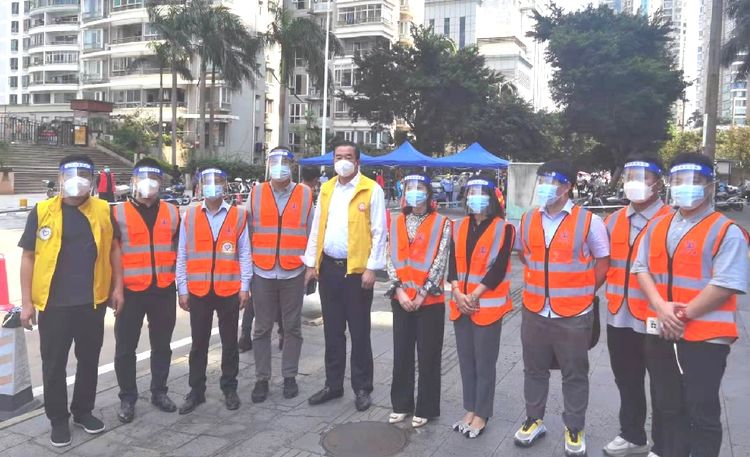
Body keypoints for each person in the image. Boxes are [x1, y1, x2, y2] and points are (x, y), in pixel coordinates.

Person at [634, 152, 749, 457]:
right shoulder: (658, 226)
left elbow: (727, 283)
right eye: (678, 180)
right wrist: (661, 307)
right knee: (666, 403)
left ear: (710, 185)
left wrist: (682, 315)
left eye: (694, 180)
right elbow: (641, 268)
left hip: (706, 336)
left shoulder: (726, 231)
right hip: (661, 328)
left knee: (702, 409)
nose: (684, 186)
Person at [19, 154, 124, 447]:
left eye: (84, 174)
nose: (77, 180)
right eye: (70, 174)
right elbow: (28, 257)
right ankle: (58, 419)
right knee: (54, 364)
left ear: (93, 180)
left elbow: (114, 250)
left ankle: (83, 411)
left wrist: (118, 288)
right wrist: (27, 303)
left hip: (92, 302)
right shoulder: (42, 211)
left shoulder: (103, 210)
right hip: (53, 305)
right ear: (60, 178)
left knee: (89, 360)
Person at [513, 160, 610, 456]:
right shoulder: (528, 218)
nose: (544, 186)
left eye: (551, 181)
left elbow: (603, 261)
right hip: (534, 310)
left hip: (574, 314)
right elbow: (524, 254)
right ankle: (534, 419)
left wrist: (584, 293)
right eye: (541, 180)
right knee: (534, 369)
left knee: (574, 373)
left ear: (567, 186)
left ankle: (575, 427)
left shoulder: (589, 221)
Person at [303, 140, 387, 411]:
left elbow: (379, 232)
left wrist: (372, 268)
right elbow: (317, 227)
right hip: (329, 269)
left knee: (359, 332)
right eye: (338, 156)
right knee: (332, 331)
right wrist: (311, 264)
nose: (343, 161)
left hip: (357, 273)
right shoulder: (327, 189)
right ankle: (333, 384)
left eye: (348, 156)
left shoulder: (371, 189)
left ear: (357, 161)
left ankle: (362, 387)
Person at [602, 155, 671, 457]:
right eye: (630, 175)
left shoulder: (672, 220)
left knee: (663, 385)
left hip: (656, 319)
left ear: (658, 182)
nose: (634, 182)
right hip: (619, 316)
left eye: (642, 176)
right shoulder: (613, 220)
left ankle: (663, 445)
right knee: (626, 380)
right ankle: (632, 435)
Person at [175, 167, 251, 414]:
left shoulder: (238, 215)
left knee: (230, 342)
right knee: (199, 343)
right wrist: (182, 288)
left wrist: (245, 287)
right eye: (208, 182)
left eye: (217, 181)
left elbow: (245, 253)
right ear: (200, 187)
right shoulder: (190, 215)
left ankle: (229, 387)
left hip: (229, 288)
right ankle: (196, 391)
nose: (213, 186)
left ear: (225, 185)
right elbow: (182, 254)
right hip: (198, 290)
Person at [112, 158, 180, 424]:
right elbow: (112, 255)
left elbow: (180, 251)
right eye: (143, 177)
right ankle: (127, 397)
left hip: (163, 288)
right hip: (130, 291)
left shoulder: (173, 212)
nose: (148, 183)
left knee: (162, 345)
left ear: (161, 182)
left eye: (154, 178)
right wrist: (115, 289)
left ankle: (159, 392)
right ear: (134, 180)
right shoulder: (118, 213)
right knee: (125, 347)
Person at [447, 177, 515, 438]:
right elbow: (453, 263)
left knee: (484, 361)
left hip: (486, 306)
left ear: (491, 197)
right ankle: (470, 408)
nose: (474, 197)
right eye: (471, 192)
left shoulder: (504, 228)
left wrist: (473, 296)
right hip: (460, 303)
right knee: (466, 360)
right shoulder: (459, 226)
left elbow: (498, 268)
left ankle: (482, 413)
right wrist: (456, 292)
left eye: (480, 192)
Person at [247, 147, 314, 403]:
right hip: (262, 270)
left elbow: (312, 233)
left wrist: (311, 267)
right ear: (268, 165)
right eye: (274, 161)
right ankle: (262, 378)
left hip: (293, 271)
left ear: (292, 166)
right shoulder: (256, 192)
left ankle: (289, 376)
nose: (279, 166)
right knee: (261, 328)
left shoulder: (305, 194)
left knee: (292, 327)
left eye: (284, 161)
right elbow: (247, 232)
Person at [386, 174, 451, 429]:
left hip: (429, 301)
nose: (414, 192)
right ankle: (401, 404)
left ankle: (426, 408)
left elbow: (440, 260)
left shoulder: (442, 222)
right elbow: (390, 257)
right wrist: (400, 291)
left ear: (429, 192)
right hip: (401, 298)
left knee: (429, 355)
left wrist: (423, 293)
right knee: (401, 352)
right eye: (410, 187)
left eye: (420, 187)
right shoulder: (396, 221)